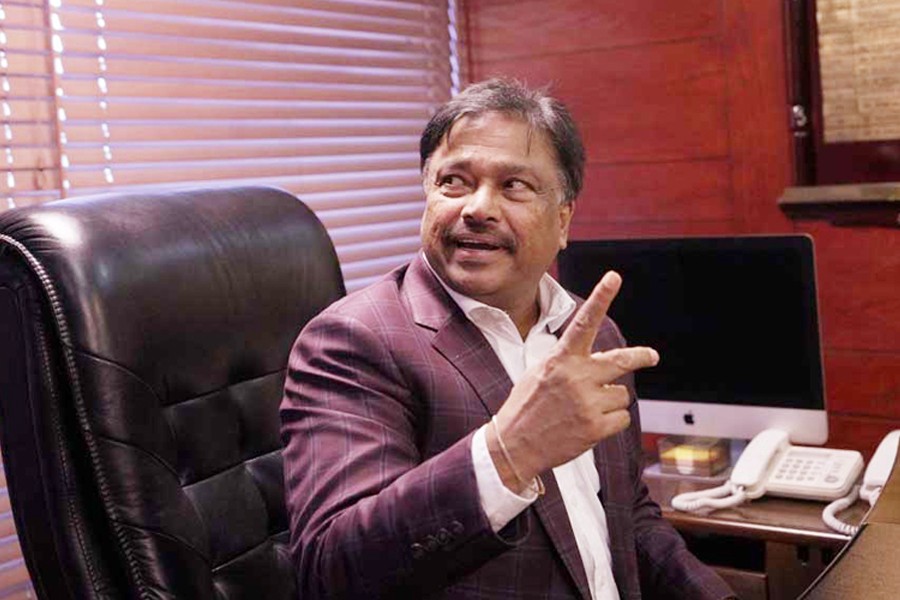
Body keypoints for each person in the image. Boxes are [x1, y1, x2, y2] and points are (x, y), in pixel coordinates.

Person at [280, 79, 735, 599]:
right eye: (454, 181)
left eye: (514, 185)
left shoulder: (589, 332)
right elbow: (330, 571)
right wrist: (508, 453)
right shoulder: (355, 341)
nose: (478, 208)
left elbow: (628, 516)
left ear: (562, 219)